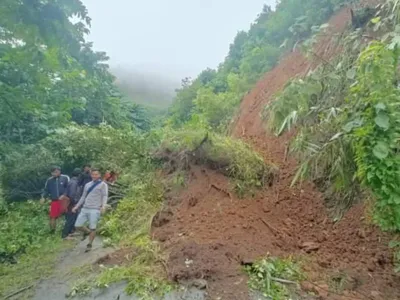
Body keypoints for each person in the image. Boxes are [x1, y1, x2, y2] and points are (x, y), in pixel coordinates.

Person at [72, 168, 108, 252]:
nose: (94, 176)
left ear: (99, 175)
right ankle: (88, 233)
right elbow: (83, 196)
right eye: (93, 174)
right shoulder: (87, 184)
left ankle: (89, 244)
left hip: (95, 209)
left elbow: (105, 196)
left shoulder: (103, 185)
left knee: (93, 228)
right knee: (77, 225)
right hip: (85, 208)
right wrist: (76, 206)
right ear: (91, 175)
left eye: (96, 174)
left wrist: (103, 206)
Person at [41, 166, 70, 233]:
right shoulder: (49, 180)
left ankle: (69, 230)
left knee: (68, 215)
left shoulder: (65, 178)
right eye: (53, 172)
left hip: (64, 200)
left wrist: (64, 195)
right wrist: (43, 197)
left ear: (60, 171)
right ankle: (52, 231)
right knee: (52, 216)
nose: (55, 174)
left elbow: (68, 188)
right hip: (54, 201)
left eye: (56, 172)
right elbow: (46, 190)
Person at [61, 168, 82, 240]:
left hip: (71, 203)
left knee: (72, 218)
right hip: (71, 203)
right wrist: (75, 203)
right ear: (79, 175)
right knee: (70, 219)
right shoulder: (74, 182)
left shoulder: (72, 181)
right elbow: (72, 194)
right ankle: (64, 235)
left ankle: (70, 232)